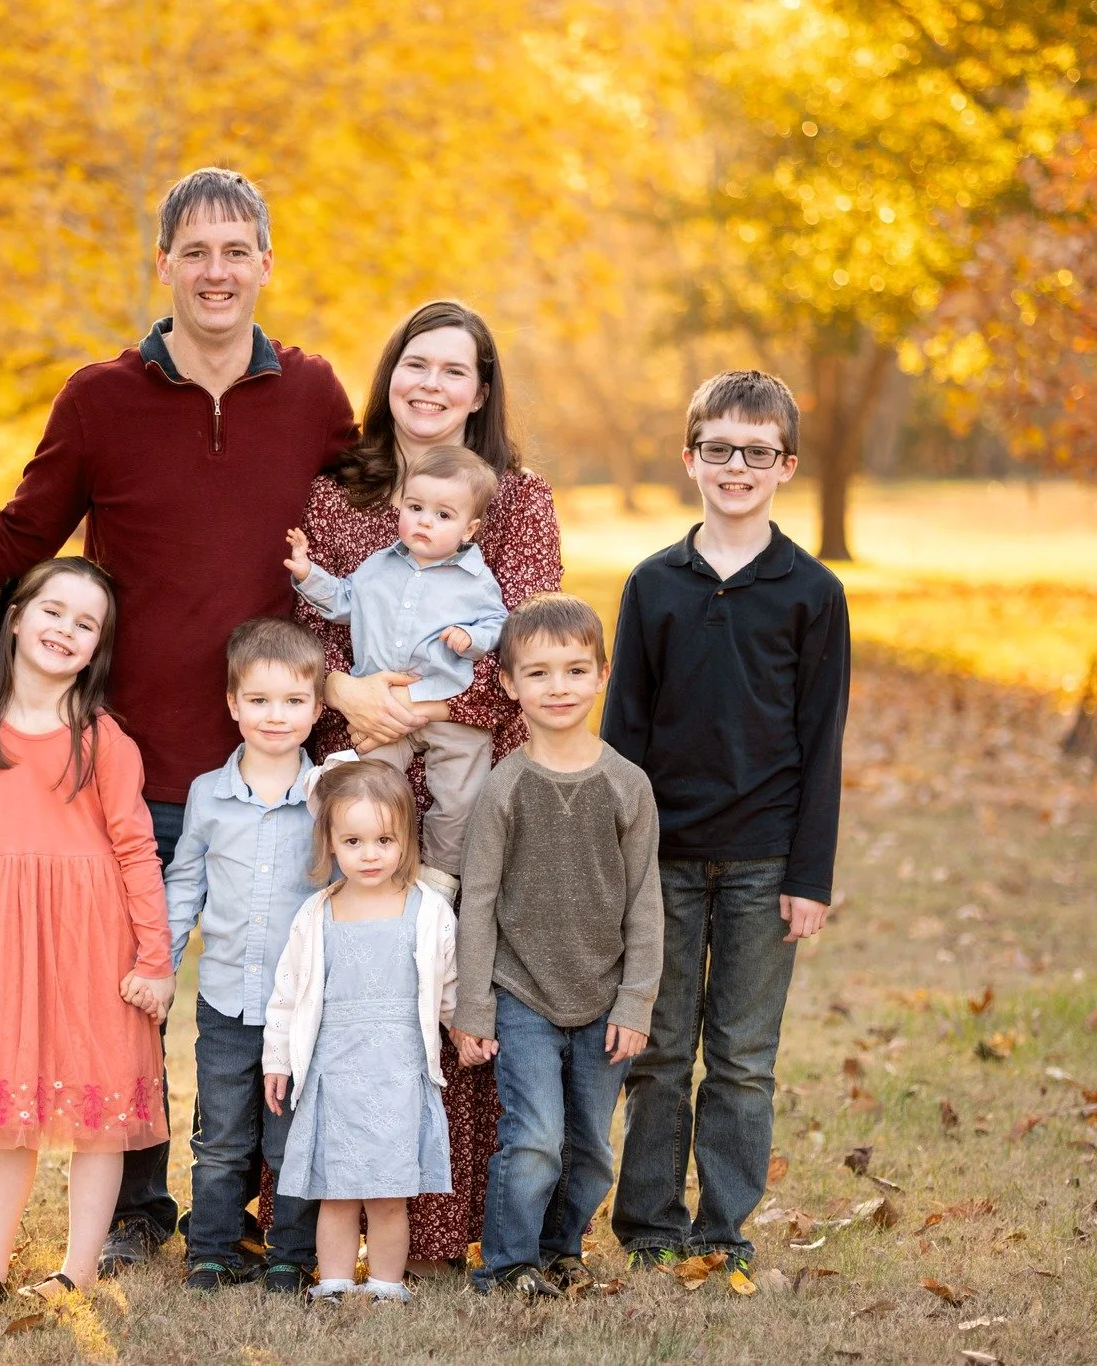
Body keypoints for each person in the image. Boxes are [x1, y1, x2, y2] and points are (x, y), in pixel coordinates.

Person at [0, 167, 357, 1272]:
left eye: (236, 251)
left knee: (270, 997)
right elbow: (22, 535)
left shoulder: (316, 397)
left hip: (269, 765)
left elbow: (372, 534)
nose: (215, 271)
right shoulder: (99, 397)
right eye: (195, 251)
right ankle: (135, 1211)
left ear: (265, 265)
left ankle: (272, 1202)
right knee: (121, 1003)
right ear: (163, 265)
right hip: (119, 765)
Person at [289, 299, 559, 1270]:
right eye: (416, 363)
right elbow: (302, 625)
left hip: (468, 769)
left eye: (454, 370)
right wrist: (345, 693)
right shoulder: (336, 496)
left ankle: (450, 1225)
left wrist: (422, 712)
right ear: (388, 374)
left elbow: (530, 636)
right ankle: (321, 1224)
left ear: (480, 391)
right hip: (355, 778)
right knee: (355, 993)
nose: (431, 384)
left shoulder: (515, 499)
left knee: (447, 981)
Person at [601, 370, 851, 1290]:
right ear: (690, 459)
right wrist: (613, 865)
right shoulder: (653, 586)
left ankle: (723, 1223)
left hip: (765, 859)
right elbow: (621, 739)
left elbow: (822, 742)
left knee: (743, 1056)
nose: (735, 466)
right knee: (658, 1046)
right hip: (661, 858)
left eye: (756, 452)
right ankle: (648, 1217)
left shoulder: (812, 593)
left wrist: (810, 876)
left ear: (784, 465)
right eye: (718, 449)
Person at [0, 558, 177, 1301]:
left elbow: (137, 848)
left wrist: (155, 957)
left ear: (98, 647)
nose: (65, 630)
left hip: (96, 938)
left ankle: (77, 1267)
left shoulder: (104, 741)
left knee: (99, 1106)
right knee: (12, 1107)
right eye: (53, 611)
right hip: (13, 933)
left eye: (85, 623)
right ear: (15, 616)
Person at [450, 594, 664, 1297]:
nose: (559, 688)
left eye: (575, 671)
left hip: (605, 998)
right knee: (535, 1136)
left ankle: (560, 1247)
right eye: (538, 674)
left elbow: (645, 903)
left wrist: (636, 1000)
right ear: (509, 684)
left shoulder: (628, 786)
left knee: (594, 1152)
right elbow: (477, 902)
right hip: (522, 995)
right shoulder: (503, 789)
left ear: (602, 674)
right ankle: (508, 1263)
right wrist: (473, 1009)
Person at [165, 619, 327, 1296]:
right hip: (227, 1000)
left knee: (292, 1140)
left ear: (318, 709)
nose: (275, 716)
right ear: (232, 703)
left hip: (304, 1012)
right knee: (223, 1136)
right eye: (258, 700)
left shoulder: (327, 798)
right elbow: (186, 884)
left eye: (293, 701)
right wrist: (159, 964)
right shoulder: (209, 794)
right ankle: (212, 1249)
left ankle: (291, 1254)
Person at [262, 761, 458, 1305]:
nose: (369, 853)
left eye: (383, 839)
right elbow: (288, 995)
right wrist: (277, 1059)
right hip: (336, 1074)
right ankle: (333, 1283)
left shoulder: (428, 911)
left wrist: (465, 1029)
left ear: (406, 840)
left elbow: (449, 985)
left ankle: (388, 1286)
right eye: (353, 840)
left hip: (398, 1073)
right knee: (338, 1193)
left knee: (390, 1195)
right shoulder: (317, 915)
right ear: (329, 842)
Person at [283, 444, 508, 896]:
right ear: (399, 506)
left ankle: (441, 874)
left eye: (443, 515)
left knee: (462, 793)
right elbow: (347, 601)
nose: (425, 521)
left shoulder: (476, 579)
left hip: (444, 699)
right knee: (371, 789)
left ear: (470, 529)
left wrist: (474, 638)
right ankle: (382, 871)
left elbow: (498, 622)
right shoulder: (378, 567)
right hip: (380, 707)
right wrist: (310, 575)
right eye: (416, 507)